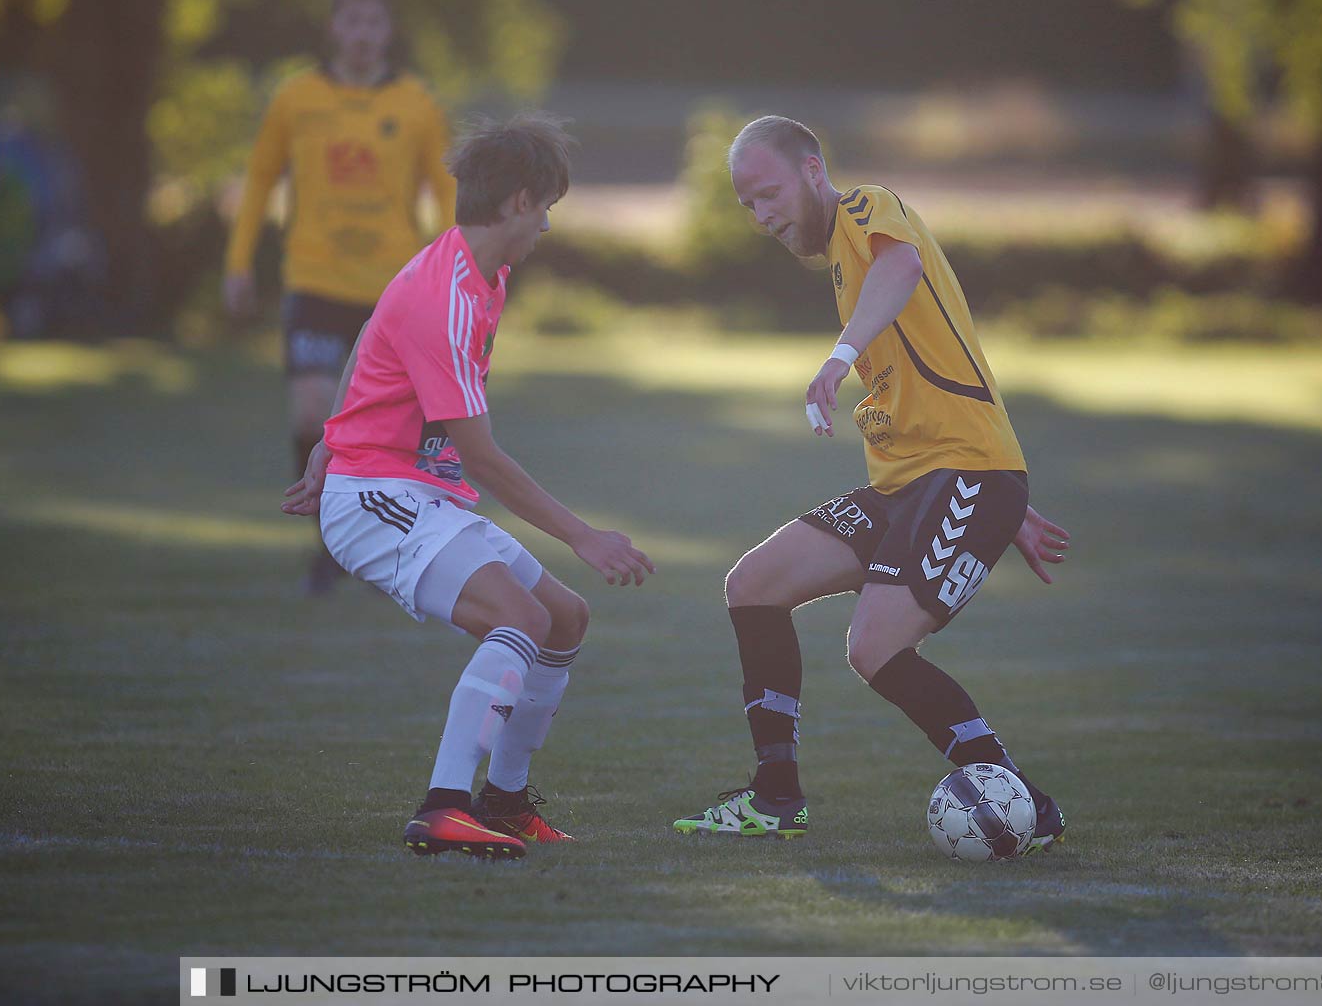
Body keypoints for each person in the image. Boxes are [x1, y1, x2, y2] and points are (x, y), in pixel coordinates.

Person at [673, 116, 1072, 848]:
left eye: (769, 194)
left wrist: (838, 358)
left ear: (813, 170)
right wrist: (1002, 503)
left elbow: (904, 270)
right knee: (754, 583)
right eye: (747, 205)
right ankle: (776, 797)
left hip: (959, 472)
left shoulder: (865, 211)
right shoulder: (837, 257)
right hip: (918, 484)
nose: (762, 216)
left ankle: (1022, 803)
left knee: (873, 646)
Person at [281, 113, 655, 861]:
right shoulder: (443, 296)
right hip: (372, 499)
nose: (548, 225)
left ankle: (507, 802)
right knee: (517, 620)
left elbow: (368, 335)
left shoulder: (479, 274)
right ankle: (443, 805)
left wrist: (329, 430)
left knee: (565, 618)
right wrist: (584, 535)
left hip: (419, 492)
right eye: (546, 205)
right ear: (519, 201)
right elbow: (480, 457)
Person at [225, 0, 458, 593]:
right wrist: (239, 262)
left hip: (392, 290)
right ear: (334, 27)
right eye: (351, 20)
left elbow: (447, 194)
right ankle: (330, 544)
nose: (362, 34)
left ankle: (394, 545)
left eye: (374, 22)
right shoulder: (296, 98)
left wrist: (456, 275)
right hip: (314, 280)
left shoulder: (416, 104)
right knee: (311, 413)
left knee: (396, 431)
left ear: (389, 31)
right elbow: (258, 181)